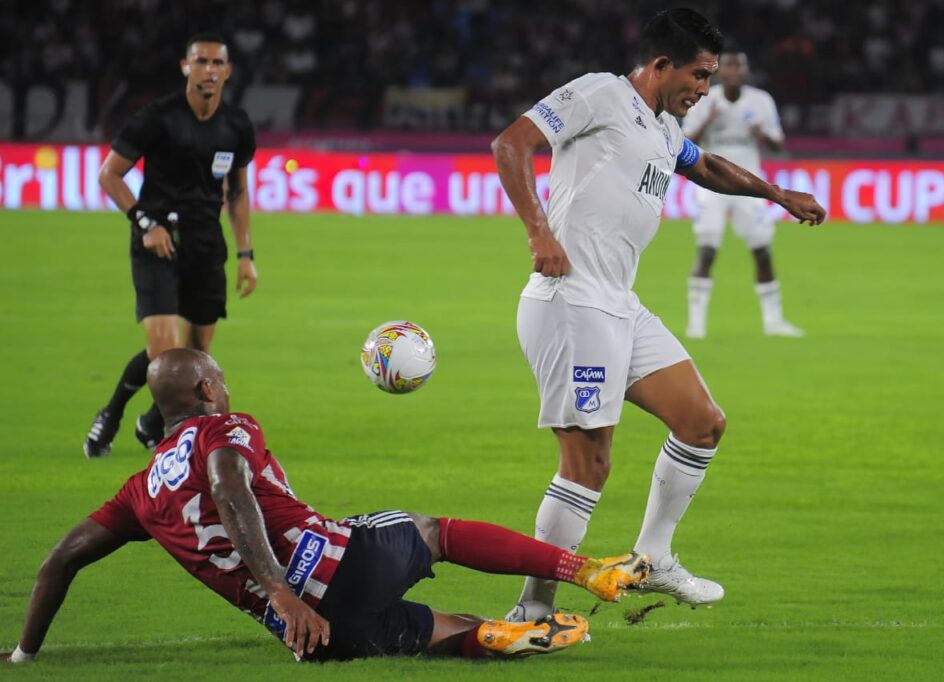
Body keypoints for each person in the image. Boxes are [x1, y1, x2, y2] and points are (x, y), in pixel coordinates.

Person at [491, 8, 825, 622]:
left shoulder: (665, 128)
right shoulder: (600, 94)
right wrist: (539, 232)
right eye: (698, 75)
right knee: (588, 465)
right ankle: (532, 612)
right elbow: (511, 143)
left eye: (710, 77)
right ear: (662, 65)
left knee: (702, 422)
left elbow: (708, 167)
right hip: (572, 302)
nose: (704, 89)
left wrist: (777, 194)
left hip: (620, 304)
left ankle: (652, 558)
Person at [5, 349, 650, 665]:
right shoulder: (225, 428)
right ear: (205, 387)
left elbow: (60, 561)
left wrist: (23, 656)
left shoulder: (140, 488)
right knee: (435, 531)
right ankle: (586, 570)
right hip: (334, 568)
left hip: (312, 636)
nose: (225, 385)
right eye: (219, 377)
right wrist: (281, 589)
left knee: (422, 629)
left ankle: (492, 634)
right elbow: (229, 489)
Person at [84, 33, 258, 458]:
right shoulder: (157, 117)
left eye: (217, 63)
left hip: (205, 242)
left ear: (228, 71)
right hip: (156, 240)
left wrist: (246, 255)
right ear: (186, 67)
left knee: (198, 357)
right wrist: (145, 222)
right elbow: (109, 174)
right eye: (201, 61)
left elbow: (237, 191)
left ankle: (150, 421)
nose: (209, 70)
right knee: (164, 352)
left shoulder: (236, 126)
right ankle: (111, 414)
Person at [681, 49, 802, 338]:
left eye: (738, 66)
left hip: (750, 186)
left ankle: (774, 322)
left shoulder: (761, 101)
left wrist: (762, 132)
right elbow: (683, 143)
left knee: (762, 251)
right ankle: (696, 325)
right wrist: (708, 120)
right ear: (720, 71)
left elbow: (778, 144)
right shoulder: (705, 98)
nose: (733, 72)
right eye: (729, 66)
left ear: (745, 71)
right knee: (707, 250)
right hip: (711, 185)